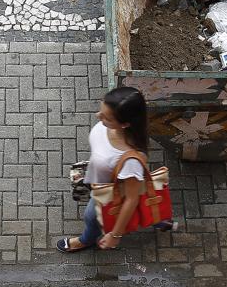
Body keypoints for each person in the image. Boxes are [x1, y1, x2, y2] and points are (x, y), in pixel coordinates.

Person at [57, 87, 174, 253]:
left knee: (91, 217)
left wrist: (115, 235)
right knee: (144, 203)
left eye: (106, 117)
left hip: (108, 193)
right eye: (101, 110)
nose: (98, 116)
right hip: (100, 179)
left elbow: (131, 200)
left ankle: (86, 240)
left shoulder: (130, 160)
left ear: (125, 124)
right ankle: (159, 220)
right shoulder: (112, 126)